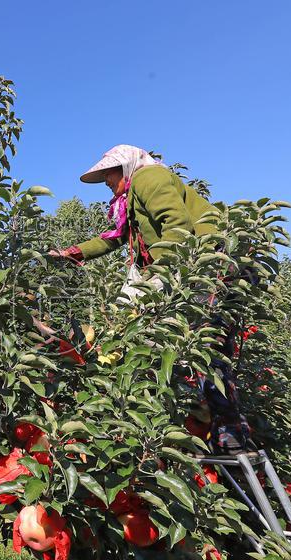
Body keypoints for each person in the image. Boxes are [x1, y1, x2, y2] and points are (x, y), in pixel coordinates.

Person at [48, 144, 252, 453]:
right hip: (189, 266)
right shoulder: (130, 198)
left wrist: (165, 279)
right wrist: (71, 253)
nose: (105, 181)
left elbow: (177, 225)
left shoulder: (147, 179)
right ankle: (210, 426)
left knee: (200, 345)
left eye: (108, 173)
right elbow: (114, 238)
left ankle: (228, 432)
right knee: (182, 342)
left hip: (206, 264)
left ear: (125, 167)